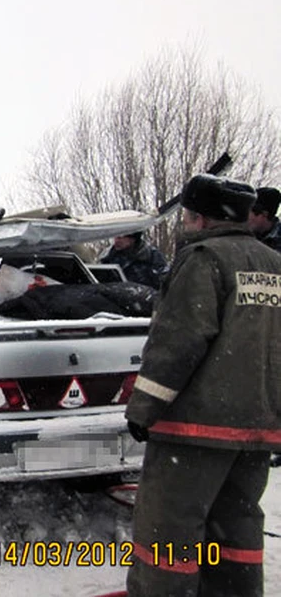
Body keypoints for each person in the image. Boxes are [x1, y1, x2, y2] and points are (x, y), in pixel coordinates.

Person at [124, 175, 281, 597]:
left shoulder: (204, 259)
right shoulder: (274, 264)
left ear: (197, 217)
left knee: (167, 535)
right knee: (237, 530)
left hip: (195, 430)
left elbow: (178, 342)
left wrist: (143, 410)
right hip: (257, 429)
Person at [99, 231, 169, 289]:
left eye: (120, 237)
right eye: (115, 237)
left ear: (133, 239)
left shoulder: (152, 256)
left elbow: (163, 283)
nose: (116, 241)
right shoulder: (108, 258)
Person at [247, 186, 281, 252]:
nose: (244, 217)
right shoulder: (243, 232)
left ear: (264, 214)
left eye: (248, 212)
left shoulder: (278, 241)